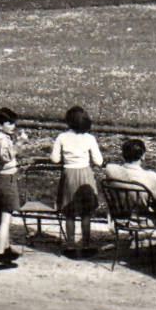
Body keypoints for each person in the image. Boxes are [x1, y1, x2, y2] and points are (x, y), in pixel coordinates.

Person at [51, 105, 104, 257]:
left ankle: (70, 245)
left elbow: (54, 159)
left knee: (69, 212)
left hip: (69, 174)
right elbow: (99, 161)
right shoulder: (89, 138)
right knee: (86, 212)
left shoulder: (62, 137)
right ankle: (86, 244)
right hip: (85, 174)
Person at [0, 107, 23, 269]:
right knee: (6, 219)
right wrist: (20, 143)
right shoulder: (3, 140)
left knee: (4, 216)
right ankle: (0, 255)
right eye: (9, 123)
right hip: (5, 179)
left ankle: (5, 248)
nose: (13, 126)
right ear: (0, 125)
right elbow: (6, 157)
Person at [103, 137, 156, 208]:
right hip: (143, 213)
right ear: (142, 156)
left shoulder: (110, 169)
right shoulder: (153, 177)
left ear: (123, 155)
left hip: (120, 211)